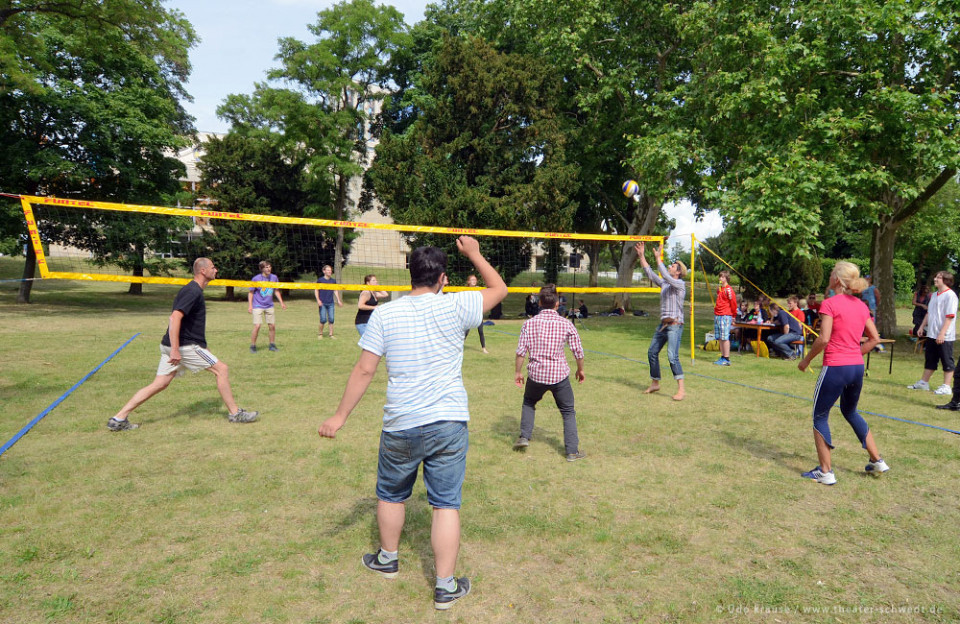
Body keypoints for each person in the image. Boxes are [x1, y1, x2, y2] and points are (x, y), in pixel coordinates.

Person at [318, 236, 507, 611]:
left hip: (401, 422)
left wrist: (339, 417)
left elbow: (365, 369)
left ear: (411, 276)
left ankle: (388, 560)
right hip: (448, 422)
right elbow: (500, 288)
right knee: (445, 505)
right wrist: (473, 253)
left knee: (391, 494)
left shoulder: (385, 314)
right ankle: (445, 586)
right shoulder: (457, 304)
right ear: (442, 279)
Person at [107, 258, 259, 431]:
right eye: (213, 267)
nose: (216, 270)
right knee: (221, 369)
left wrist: (201, 347)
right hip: (182, 347)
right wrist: (175, 349)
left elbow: (190, 324)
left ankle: (118, 418)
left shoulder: (195, 291)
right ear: (202, 271)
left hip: (176, 345)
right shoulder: (192, 291)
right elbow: (174, 318)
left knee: (160, 384)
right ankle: (235, 413)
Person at [797, 261, 888, 485]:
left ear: (836, 279)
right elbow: (875, 339)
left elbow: (824, 338)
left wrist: (806, 360)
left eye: (830, 273)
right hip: (856, 368)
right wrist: (855, 353)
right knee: (850, 411)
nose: (828, 276)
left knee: (820, 416)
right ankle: (877, 461)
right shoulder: (861, 306)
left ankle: (825, 472)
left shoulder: (829, 304)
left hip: (836, 368)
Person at [513, 285, 586, 461]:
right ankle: (572, 451)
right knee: (568, 411)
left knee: (529, 402)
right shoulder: (566, 323)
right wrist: (580, 370)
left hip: (536, 375)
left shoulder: (529, 324)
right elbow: (578, 351)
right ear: (557, 304)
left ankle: (524, 436)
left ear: (539, 303)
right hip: (558, 376)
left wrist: (518, 372)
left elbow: (521, 351)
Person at [636, 241, 687, 401]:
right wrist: (641, 255)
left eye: (672, 266)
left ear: (678, 272)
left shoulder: (679, 284)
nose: (670, 268)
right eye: (670, 266)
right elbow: (650, 273)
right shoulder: (665, 283)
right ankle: (655, 383)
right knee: (652, 352)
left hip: (675, 325)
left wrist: (659, 258)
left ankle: (681, 390)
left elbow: (664, 274)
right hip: (663, 325)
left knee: (672, 356)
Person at [909, 271, 958, 396]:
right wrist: (921, 327)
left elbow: (949, 317)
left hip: (945, 336)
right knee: (930, 359)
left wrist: (942, 334)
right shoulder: (934, 295)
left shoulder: (950, 296)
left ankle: (946, 386)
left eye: (939, 277)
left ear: (946, 280)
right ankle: (924, 383)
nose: (935, 279)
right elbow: (929, 313)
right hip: (931, 333)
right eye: (936, 277)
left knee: (947, 360)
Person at [248, 260, 286, 353]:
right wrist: (250, 306)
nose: (269, 268)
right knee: (257, 326)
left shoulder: (274, 277)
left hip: (269, 305)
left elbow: (276, 291)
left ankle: (272, 345)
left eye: (269, 267)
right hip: (257, 305)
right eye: (266, 267)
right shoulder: (256, 279)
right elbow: (251, 292)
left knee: (272, 326)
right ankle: (253, 346)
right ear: (261, 269)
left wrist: (281, 302)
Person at [712, 270, 737, 366]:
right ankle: (722, 356)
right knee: (720, 337)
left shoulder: (729, 290)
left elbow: (733, 303)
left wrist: (734, 315)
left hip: (725, 315)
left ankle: (726, 358)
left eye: (722, 277)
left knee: (725, 337)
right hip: (718, 314)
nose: (720, 279)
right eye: (720, 277)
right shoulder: (719, 289)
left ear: (726, 278)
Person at [314, 264, 343, 339]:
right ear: (324, 271)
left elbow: (335, 290)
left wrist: (339, 300)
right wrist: (318, 300)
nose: (330, 271)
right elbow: (316, 290)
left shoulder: (333, 281)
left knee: (331, 319)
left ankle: (331, 335)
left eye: (330, 270)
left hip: (331, 303)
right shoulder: (320, 280)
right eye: (328, 270)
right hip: (322, 302)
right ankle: (320, 334)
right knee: (323, 319)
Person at [462, 274, 488, 353]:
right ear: (468, 282)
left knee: (480, 331)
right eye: (472, 280)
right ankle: (459, 346)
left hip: (478, 313)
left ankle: (484, 348)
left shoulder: (479, 289)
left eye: (475, 280)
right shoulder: (465, 290)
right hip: (469, 313)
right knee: (466, 331)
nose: (474, 281)